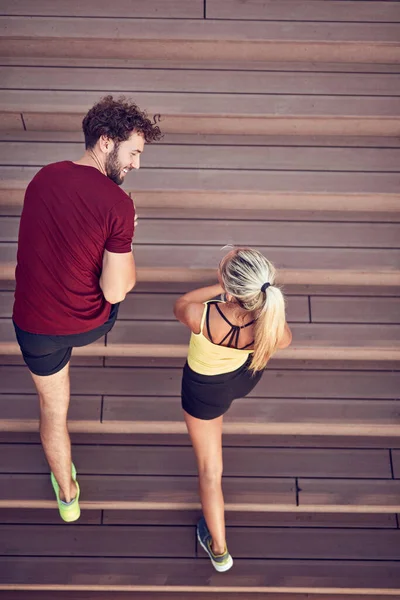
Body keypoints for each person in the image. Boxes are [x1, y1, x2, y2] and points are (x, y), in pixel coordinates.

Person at [12, 95, 162, 522]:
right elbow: (116, 291)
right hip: (86, 323)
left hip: (35, 327)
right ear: (104, 141)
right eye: (133, 153)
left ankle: (68, 493)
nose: (136, 164)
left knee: (52, 412)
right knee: (115, 278)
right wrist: (125, 238)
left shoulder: (43, 178)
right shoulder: (118, 205)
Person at [174, 248, 292, 572]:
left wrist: (218, 289)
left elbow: (181, 304)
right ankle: (218, 550)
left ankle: (220, 549)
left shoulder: (202, 316)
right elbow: (284, 340)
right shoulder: (269, 318)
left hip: (205, 393)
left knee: (210, 472)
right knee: (213, 456)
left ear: (229, 286)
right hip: (243, 380)